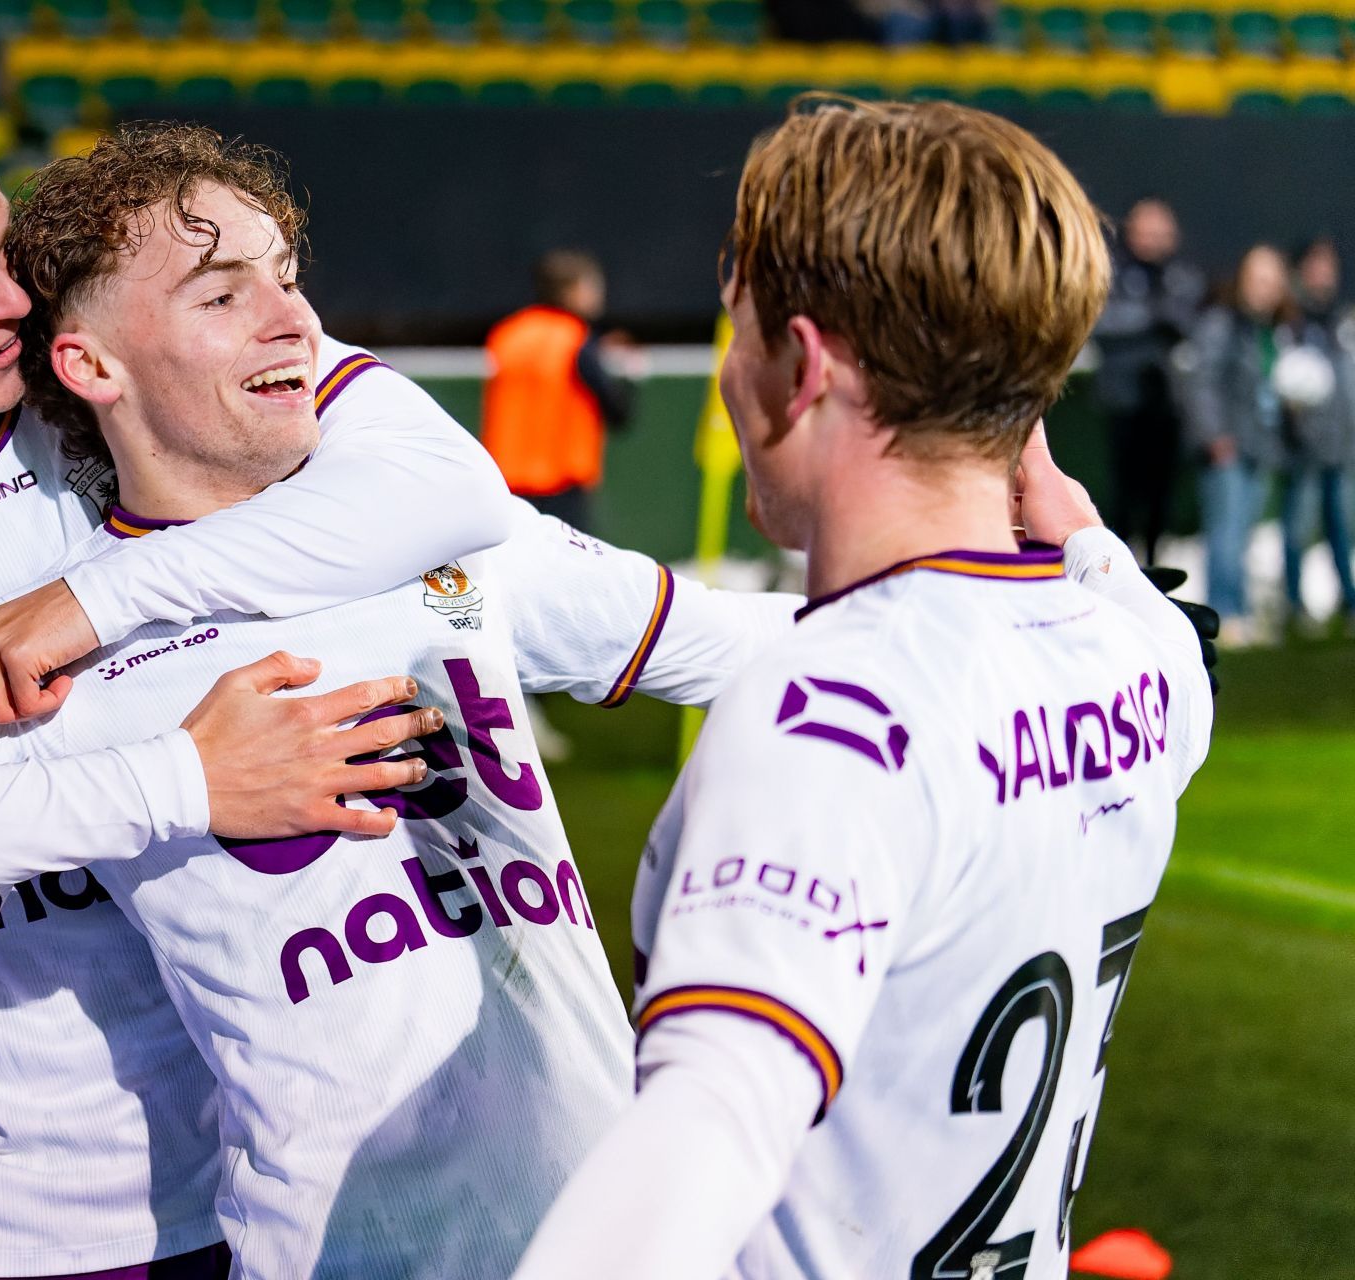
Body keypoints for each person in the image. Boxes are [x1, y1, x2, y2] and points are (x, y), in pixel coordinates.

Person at [0, 126, 800, 1280]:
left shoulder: (383, 520)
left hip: (429, 1203)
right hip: (69, 1207)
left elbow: (687, 608)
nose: (11, 296)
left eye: (5, 250)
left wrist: (105, 599)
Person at [512, 98, 1213, 1280]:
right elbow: (1156, 622)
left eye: (739, 332)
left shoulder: (825, 705)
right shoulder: (1137, 652)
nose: (730, 372)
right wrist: (1080, 526)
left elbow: (718, 1112)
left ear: (805, 365)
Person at [1183, 243, 1296, 647]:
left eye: (1272, 281)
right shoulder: (1222, 322)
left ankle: (1240, 612)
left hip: (1259, 446)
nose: (1265, 289)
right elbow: (1201, 381)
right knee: (1224, 535)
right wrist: (1215, 436)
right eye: (1258, 279)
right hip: (1228, 447)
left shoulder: (1271, 330)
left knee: (1242, 535)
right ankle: (1223, 615)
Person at [480, 249, 637, 536]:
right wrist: (630, 375)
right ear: (573, 291)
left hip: (506, 478)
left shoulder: (506, 334)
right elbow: (617, 411)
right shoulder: (575, 338)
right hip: (562, 481)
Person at [1093, 198, 1205, 564]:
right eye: (1147, 231)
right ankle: (1120, 566)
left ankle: (1155, 566)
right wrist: (1152, 319)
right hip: (1124, 402)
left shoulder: (1182, 275)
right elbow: (1102, 322)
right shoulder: (1111, 272)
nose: (1154, 240)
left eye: (1162, 232)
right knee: (1123, 495)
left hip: (1168, 403)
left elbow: (1190, 320)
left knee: (1161, 495)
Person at [1279, 238, 1355, 631]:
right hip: (1304, 448)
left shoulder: (1340, 320)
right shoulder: (1290, 321)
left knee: (1342, 527)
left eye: (1329, 265)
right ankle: (1294, 603)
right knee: (1298, 528)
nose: (1324, 273)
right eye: (1316, 265)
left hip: (1340, 447)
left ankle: (1349, 599)